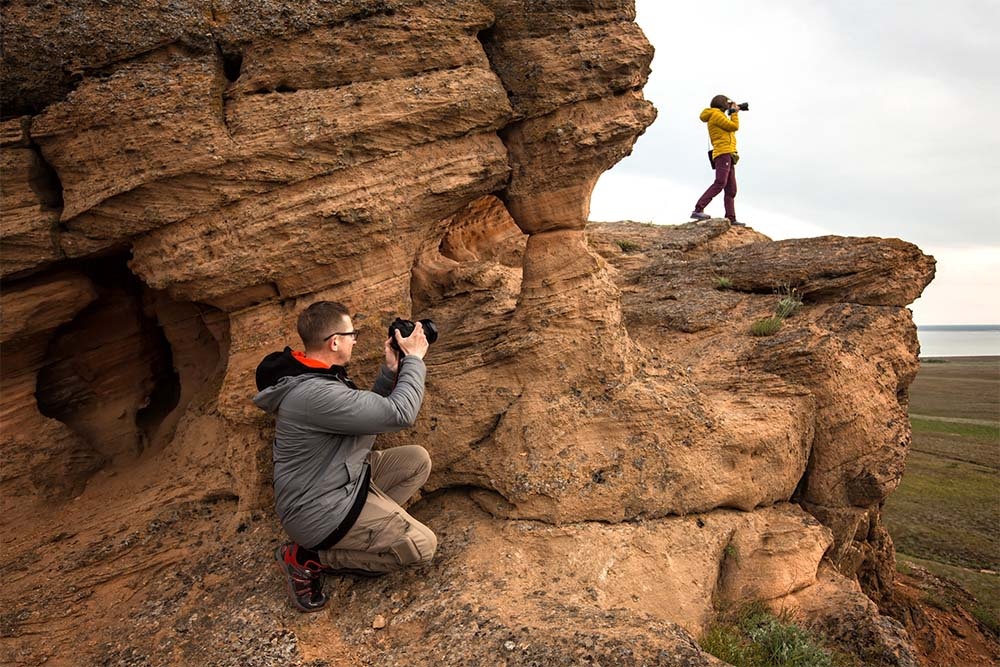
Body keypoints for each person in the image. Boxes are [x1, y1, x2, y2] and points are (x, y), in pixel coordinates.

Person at [253, 300, 437, 612]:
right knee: (422, 546)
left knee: (415, 461)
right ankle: (308, 558)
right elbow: (400, 414)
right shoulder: (314, 393)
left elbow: (366, 416)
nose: (355, 340)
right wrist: (415, 359)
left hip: (340, 483)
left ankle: (373, 530)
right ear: (335, 341)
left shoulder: (317, 377)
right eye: (351, 334)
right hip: (319, 511)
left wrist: (391, 371)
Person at [690, 94, 745, 226]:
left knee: (731, 189)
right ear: (722, 104)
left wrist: (732, 112)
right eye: (728, 103)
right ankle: (698, 209)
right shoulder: (716, 115)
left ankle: (731, 217)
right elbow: (734, 127)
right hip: (723, 153)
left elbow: (729, 132)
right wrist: (735, 113)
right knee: (720, 182)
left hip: (729, 153)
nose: (729, 106)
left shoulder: (719, 116)